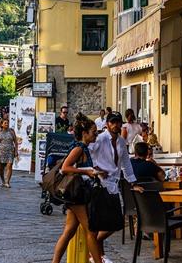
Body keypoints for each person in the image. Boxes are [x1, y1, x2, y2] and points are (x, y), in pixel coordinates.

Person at [51, 115, 105, 263]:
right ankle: (97, 261)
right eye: (94, 131)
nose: (96, 134)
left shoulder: (83, 148)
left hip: (77, 194)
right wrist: (87, 172)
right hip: (77, 195)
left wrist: (95, 170)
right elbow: (65, 167)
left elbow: (80, 166)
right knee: (91, 231)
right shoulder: (78, 148)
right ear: (85, 133)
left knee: (69, 230)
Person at [89, 112, 141, 262]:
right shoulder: (100, 139)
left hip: (114, 184)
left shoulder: (121, 142)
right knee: (102, 221)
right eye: (113, 122)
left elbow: (126, 163)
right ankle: (99, 255)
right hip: (100, 183)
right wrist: (97, 169)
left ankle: (96, 245)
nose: (116, 125)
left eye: (118, 122)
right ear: (107, 124)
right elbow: (89, 155)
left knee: (117, 221)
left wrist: (133, 182)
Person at [0, 118, 18, 188]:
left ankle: (7, 182)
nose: (7, 124)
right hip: (0, 152)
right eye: (5, 123)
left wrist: (16, 151)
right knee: (0, 167)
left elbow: (16, 142)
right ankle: (2, 180)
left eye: (7, 123)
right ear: (2, 124)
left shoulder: (11, 131)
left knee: (9, 166)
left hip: (10, 151)